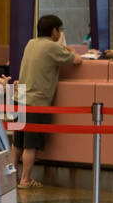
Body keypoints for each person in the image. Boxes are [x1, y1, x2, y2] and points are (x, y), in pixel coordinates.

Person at [14, 14, 81, 189]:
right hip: (35, 101)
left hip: (19, 98)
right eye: (60, 29)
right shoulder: (52, 47)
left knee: (17, 142)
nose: (60, 32)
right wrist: (71, 50)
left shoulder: (31, 43)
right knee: (30, 144)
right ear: (54, 31)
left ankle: (11, 178)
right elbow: (77, 60)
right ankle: (25, 180)